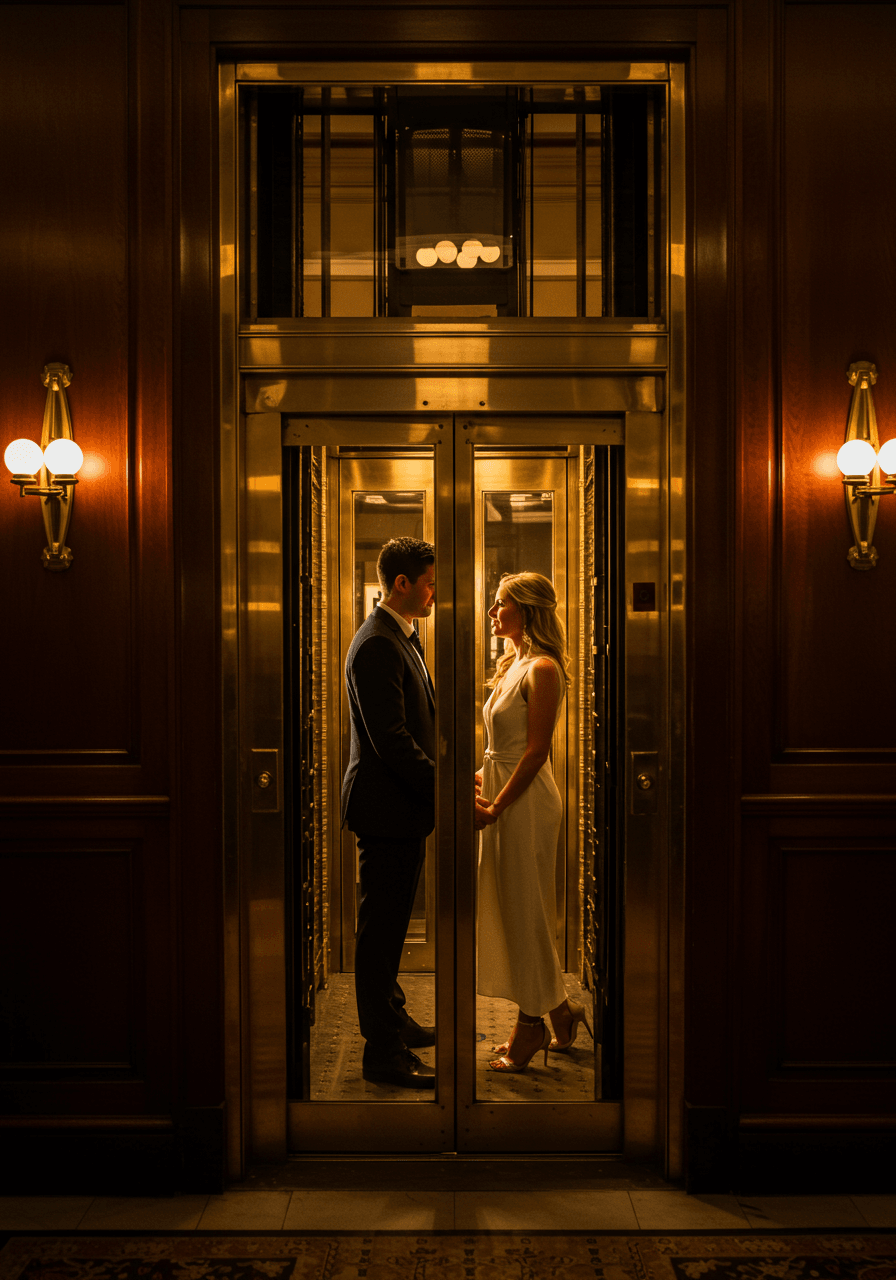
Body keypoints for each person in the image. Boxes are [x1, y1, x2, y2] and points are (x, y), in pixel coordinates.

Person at [475, 571, 592, 1072]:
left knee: (526, 911)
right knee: (514, 907)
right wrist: (482, 776)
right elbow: (504, 747)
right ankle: (563, 1012)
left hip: (525, 804)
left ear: (526, 612)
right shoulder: (512, 665)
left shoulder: (543, 669)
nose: (492, 612)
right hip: (504, 792)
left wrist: (498, 804)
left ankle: (531, 1028)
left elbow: (536, 751)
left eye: (501, 604)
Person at [342, 536, 438, 1089]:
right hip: (386, 810)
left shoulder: (398, 636)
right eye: (427, 583)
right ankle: (382, 1052)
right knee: (380, 934)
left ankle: (393, 1018)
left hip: (399, 809)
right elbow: (392, 741)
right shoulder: (377, 643)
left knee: (393, 926)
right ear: (401, 584)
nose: (432, 594)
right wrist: (444, 787)